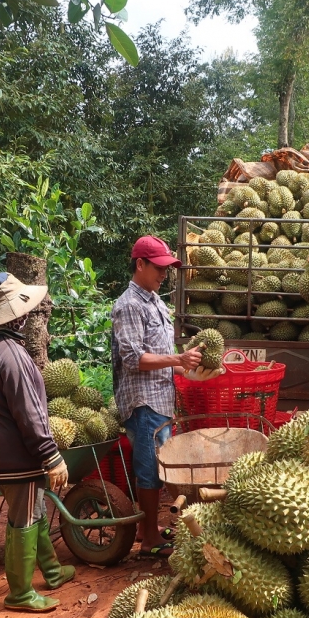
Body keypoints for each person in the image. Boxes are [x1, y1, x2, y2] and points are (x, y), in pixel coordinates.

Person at [0, 273, 74, 612]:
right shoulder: (10, 354)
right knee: (22, 519)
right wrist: (51, 455)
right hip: (17, 455)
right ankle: (20, 594)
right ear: (13, 314)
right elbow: (30, 413)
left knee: (34, 511)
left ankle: (52, 571)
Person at [111, 236, 203, 558]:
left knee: (158, 467)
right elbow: (133, 358)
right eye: (159, 268)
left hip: (161, 399)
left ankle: (145, 528)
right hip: (143, 402)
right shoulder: (129, 305)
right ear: (140, 264)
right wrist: (178, 359)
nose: (164, 274)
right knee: (149, 470)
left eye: (167, 269)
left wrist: (187, 367)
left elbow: (161, 355)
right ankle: (149, 538)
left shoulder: (156, 302)